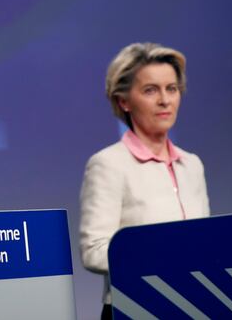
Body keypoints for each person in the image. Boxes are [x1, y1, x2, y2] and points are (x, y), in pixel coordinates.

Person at [79, 42, 209, 319]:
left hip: (196, 305)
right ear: (123, 101)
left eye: (172, 89)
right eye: (150, 90)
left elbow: (204, 243)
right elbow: (94, 251)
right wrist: (162, 257)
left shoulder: (192, 165)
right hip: (135, 308)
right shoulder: (108, 164)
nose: (165, 100)